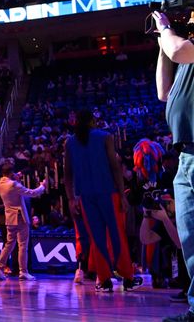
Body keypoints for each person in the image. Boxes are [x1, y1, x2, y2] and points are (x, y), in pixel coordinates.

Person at [63, 109, 139, 292]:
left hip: (85, 197)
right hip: (108, 192)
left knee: (97, 239)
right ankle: (127, 278)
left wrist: (71, 199)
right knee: (117, 235)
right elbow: (115, 167)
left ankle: (104, 281)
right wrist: (122, 195)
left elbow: (67, 174)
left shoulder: (70, 142)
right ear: (92, 121)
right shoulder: (105, 137)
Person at [154, 10, 194, 322]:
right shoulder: (185, 56)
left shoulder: (186, 49)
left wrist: (166, 29)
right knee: (190, 237)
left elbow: (178, 48)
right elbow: (163, 92)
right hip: (185, 156)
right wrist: (160, 45)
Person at [0, 163, 47, 281]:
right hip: (20, 217)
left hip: (10, 218)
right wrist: (42, 186)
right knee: (23, 245)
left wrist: (15, 177)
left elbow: (12, 185)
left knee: (9, 244)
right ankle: (24, 272)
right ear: (10, 173)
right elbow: (31, 193)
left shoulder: (0, 184)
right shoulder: (13, 184)